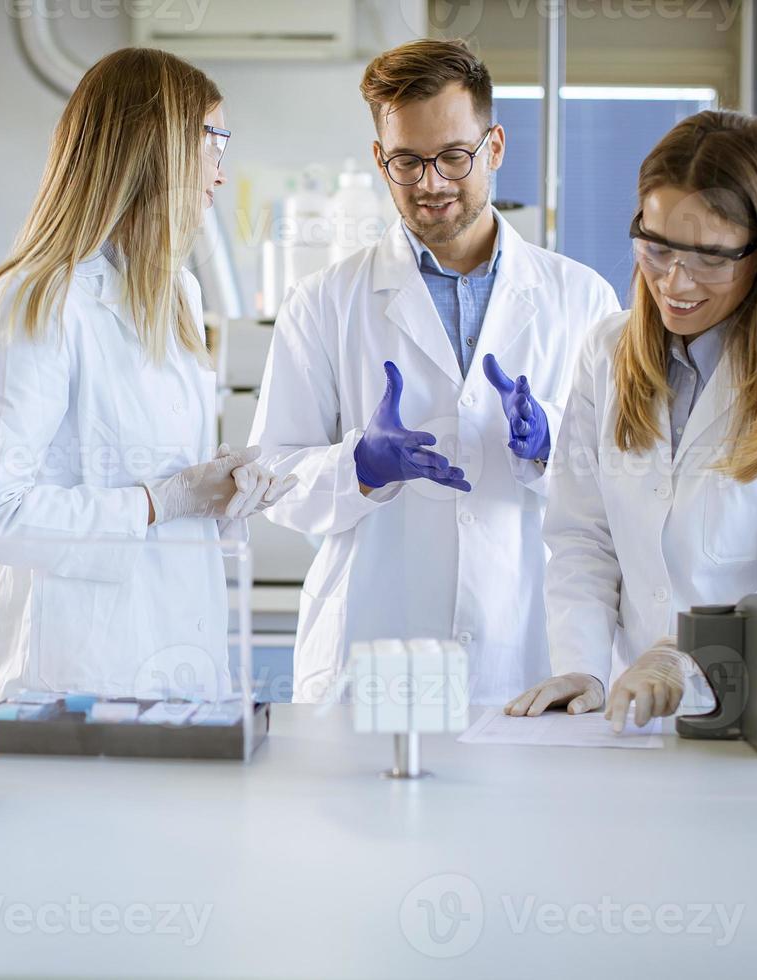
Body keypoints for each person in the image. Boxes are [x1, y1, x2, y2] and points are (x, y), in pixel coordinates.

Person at [249, 39, 620, 704]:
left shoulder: (582, 299)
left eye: (453, 157)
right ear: (378, 159)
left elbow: (625, 484)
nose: (431, 184)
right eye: (406, 162)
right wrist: (358, 466)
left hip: (531, 647)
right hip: (374, 652)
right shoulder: (325, 301)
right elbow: (273, 480)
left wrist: (554, 442)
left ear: (495, 147)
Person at [506, 109, 757, 730]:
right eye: (656, 248)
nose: (674, 282)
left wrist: (686, 665)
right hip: (630, 719)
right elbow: (582, 537)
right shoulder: (608, 352)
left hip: (753, 719)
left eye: (710, 256)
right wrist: (586, 669)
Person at [0, 48, 294, 700]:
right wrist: (161, 501)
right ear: (159, 148)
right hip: (72, 680)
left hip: (181, 663)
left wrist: (219, 497)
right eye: (213, 143)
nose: (221, 175)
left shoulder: (175, 294)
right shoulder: (38, 299)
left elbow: (163, 491)